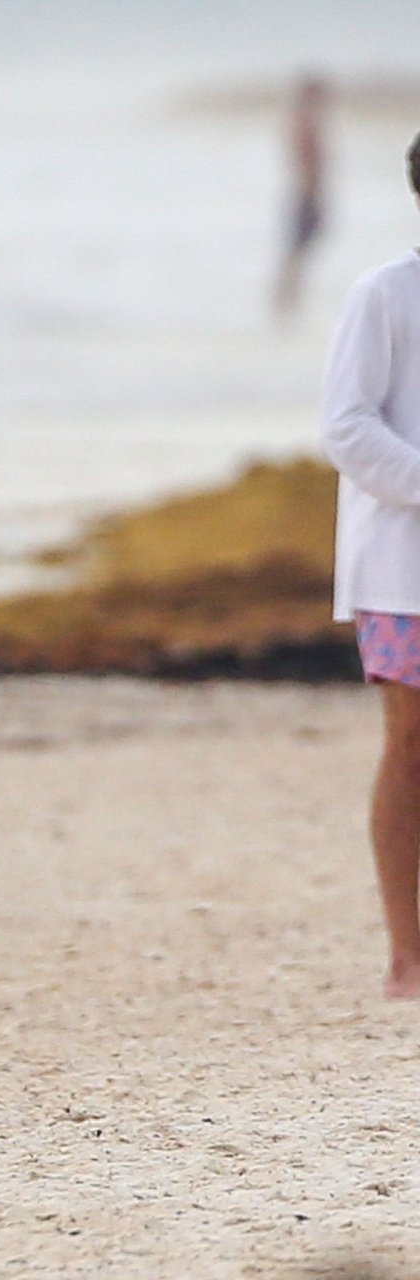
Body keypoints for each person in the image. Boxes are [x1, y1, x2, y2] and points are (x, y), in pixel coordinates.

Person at [322, 131, 420, 998]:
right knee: (411, 745)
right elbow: (347, 426)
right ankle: (407, 955)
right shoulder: (385, 293)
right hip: (402, 568)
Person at [273, 73, 330, 317]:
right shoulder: (303, 124)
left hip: (305, 193)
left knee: (298, 251)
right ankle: (286, 302)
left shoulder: (302, 122)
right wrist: (313, 195)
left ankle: (288, 302)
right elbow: (307, 164)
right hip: (305, 195)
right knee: (297, 251)